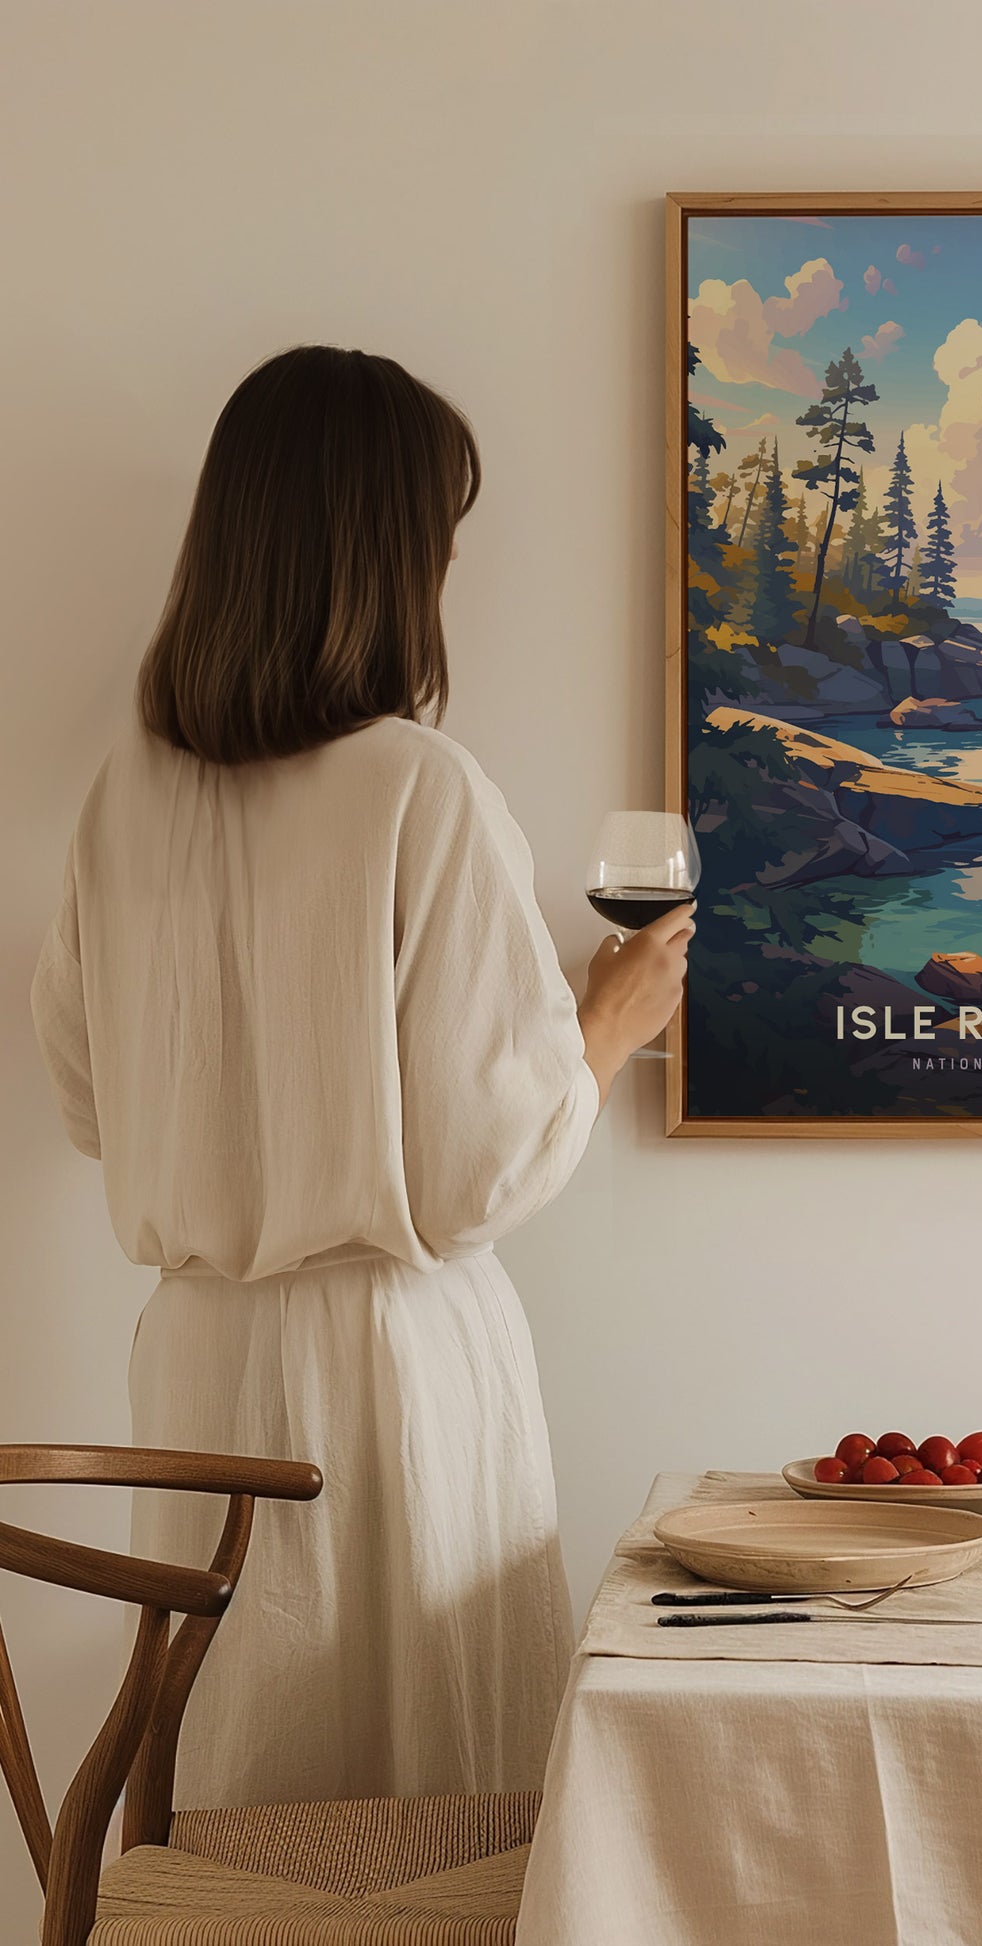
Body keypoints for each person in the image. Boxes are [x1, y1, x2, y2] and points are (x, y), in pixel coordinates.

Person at [29, 345, 689, 1806]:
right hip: (390, 1371)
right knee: (422, 1809)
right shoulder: (417, 785)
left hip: (198, 1360)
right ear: (388, 556)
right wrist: (606, 1020)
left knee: (241, 1787)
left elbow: (87, 1102)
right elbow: (474, 1174)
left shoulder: (123, 796)